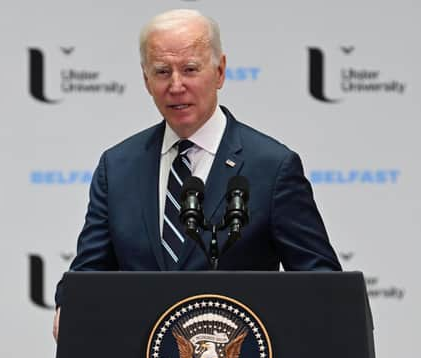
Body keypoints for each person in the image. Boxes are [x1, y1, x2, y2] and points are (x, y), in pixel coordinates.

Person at [53, 9, 341, 340]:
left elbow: (322, 283)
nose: (176, 86)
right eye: (162, 72)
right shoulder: (117, 167)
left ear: (219, 72)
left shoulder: (272, 167)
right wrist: (70, 303)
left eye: (190, 69)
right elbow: (87, 273)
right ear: (146, 81)